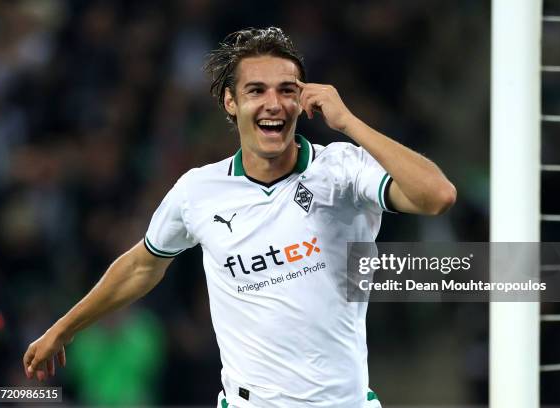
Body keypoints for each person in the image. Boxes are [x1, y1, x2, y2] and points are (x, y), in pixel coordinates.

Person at [23, 27, 456, 407]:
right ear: (231, 102)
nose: (274, 103)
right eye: (257, 90)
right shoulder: (198, 192)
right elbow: (141, 265)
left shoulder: (341, 170)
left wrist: (349, 123)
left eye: (288, 90)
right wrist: (65, 328)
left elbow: (437, 195)